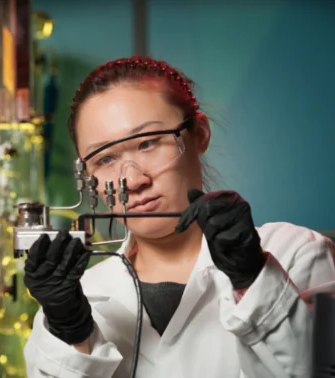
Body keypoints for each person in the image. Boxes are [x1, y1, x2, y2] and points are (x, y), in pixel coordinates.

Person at [22, 56, 335, 378]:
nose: (133, 179)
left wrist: (253, 279)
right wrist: (72, 331)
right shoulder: (83, 295)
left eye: (148, 143)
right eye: (105, 159)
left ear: (199, 133)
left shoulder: (294, 252)